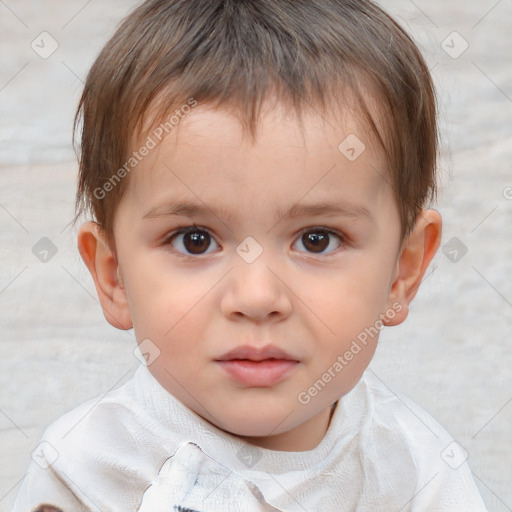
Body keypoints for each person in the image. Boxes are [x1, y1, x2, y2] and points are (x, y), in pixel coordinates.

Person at [13, 0, 487, 510]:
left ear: (402, 271)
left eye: (317, 239)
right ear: (114, 277)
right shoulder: (83, 473)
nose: (257, 297)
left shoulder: (422, 476)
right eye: (194, 240)